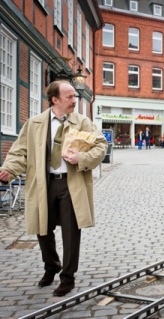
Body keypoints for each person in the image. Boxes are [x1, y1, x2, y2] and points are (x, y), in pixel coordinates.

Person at [0, 80, 107, 297]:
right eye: (69, 97)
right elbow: (19, 152)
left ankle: (67, 277)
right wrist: (8, 170)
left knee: (71, 231)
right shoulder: (35, 123)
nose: (74, 101)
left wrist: (82, 157)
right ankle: (51, 266)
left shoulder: (82, 122)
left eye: (74, 97)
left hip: (71, 183)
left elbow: (101, 146)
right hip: (43, 183)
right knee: (42, 228)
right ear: (55, 99)